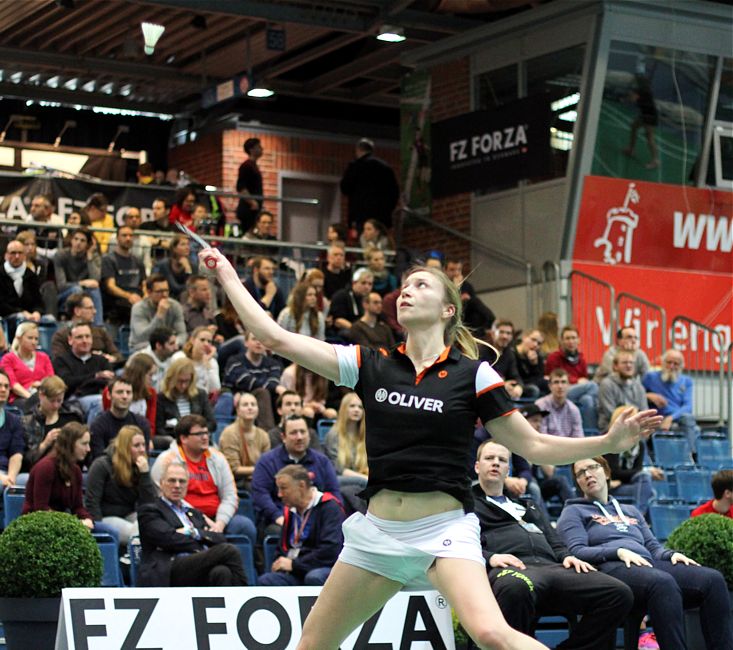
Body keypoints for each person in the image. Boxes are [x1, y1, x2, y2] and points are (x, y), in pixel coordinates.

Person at [200, 244, 660, 650]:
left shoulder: (472, 373)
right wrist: (226, 274)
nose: (406, 291)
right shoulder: (370, 364)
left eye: (420, 285)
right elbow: (275, 337)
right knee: (311, 645)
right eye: (403, 286)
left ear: (447, 311)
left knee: (492, 635)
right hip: (377, 535)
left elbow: (534, 445)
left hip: (444, 532)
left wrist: (607, 442)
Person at [559, 456, 733, 650]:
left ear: (606, 472)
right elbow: (577, 551)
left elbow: (653, 546)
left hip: (647, 563)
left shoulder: (630, 510)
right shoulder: (573, 511)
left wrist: (670, 555)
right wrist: (618, 552)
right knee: (662, 583)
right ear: (578, 482)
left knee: (713, 580)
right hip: (610, 568)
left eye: (592, 467)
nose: (588, 474)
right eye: (581, 473)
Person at [473, 440, 633, 650]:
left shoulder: (528, 505)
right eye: (489, 458)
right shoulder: (468, 504)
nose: (495, 463)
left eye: (502, 460)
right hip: (511, 568)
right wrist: (490, 557)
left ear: (508, 470)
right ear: (477, 466)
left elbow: (553, 539)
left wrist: (566, 556)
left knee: (618, 593)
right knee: (516, 588)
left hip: (552, 568)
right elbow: (458, 545)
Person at [137, 460, 248, 587]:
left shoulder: (194, 513)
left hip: (195, 565)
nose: (177, 485)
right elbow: (168, 539)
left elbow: (219, 538)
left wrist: (193, 532)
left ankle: (231, 605)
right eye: (172, 481)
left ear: (187, 485)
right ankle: (245, 598)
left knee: (222, 572)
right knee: (229, 551)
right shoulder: (151, 509)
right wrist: (200, 541)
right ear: (161, 483)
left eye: (182, 481)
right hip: (168, 567)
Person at [150, 415, 256, 546]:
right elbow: (165, 499)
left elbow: (230, 495)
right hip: (182, 518)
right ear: (183, 438)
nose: (205, 437)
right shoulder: (166, 461)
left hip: (216, 518)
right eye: (199, 434)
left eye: (206, 433)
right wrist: (202, 520)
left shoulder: (218, 458)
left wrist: (219, 524)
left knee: (244, 525)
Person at [22, 422, 119, 542]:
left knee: (111, 532)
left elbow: (77, 506)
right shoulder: (46, 468)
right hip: (39, 526)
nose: (88, 449)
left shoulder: (76, 471)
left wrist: (88, 519)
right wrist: (74, 523)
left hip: (65, 523)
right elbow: (41, 509)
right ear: (70, 444)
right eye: (84, 444)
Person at [251, 413, 341, 536]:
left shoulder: (322, 461)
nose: (299, 437)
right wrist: (278, 517)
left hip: (317, 520)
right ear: (283, 437)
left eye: (303, 432)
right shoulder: (267, 462)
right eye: (293, 433)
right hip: (279, 520)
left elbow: (334, 493)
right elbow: (260, 494)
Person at [258, 465, 345, 587]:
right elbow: (282, 550)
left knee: (314, 577)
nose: (279, 494)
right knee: (267, 580)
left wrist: (294, 564)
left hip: (323, 568)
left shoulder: (329, 507)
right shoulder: (291, 511)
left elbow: (330, 552)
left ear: (302, 486)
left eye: (283, 488)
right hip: (297, 570)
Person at [85, 425, 157, 546]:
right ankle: (135, 563)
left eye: (143, 445)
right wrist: (97, 531)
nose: (142, 450)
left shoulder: (139, 467)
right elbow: (92, 502)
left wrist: (144, 475)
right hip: (105, 517)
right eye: (136, 446)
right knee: (135, 532)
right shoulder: (102, 465)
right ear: (125, 447)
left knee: (154, 524)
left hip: (129, 514)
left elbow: (149, 505)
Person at [604, 406, 663, 517]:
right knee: (648, 489)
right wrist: (647, 471)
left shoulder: (639, 444)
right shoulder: (610, 441)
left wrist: (642, 472)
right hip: (610, 487)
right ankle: (638, 519)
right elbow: (614, 472)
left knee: (646, 483)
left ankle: (637, 518)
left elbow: (636, 470)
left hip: (626, 485)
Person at [642, 349, 699, 457]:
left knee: (688, 418)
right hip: (657, 417)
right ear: (663, 363)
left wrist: (670, 418)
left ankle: (691, 456)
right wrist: (648, 395)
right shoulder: (650, 377)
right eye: (669, 362)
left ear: (681, 366)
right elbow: (637, 394)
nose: (672, 366)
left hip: (677, 418)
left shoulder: (686, 381)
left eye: (676, 363)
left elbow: (688, 406)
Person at [53, 321, 115, 422]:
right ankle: (92, 436)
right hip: (72, 400)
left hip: (99, 396)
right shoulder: (62, 361)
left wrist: (86, 381)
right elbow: (67, 383)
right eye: (79, 337)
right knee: (100, 403)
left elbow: (110, 381)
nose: (85, 341)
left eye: (88, 336)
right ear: (70, 340)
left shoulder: (101, 360)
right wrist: (96, 376)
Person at [20, 376, 82, 473]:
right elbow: (24, 462)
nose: (56, 405)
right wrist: (45, 444)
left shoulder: (71, 417)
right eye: (52, 401)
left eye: (59, 400)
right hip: (38, 471)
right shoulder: (27, 422)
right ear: (41, 395)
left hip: (68, 469)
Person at [544, 326, 598, 431]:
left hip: (578, 392)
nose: (571, 341)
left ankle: (589, 433)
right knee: (593, 385)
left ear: (578, 340)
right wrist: (576, 381)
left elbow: (585, 378)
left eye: (573, 338)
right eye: (567, 338)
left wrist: (580, 383)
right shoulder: (553, 357)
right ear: (562, 341)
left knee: (588, 400)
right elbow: (553, 377)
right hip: (560, 390)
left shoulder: (581, 359)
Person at [339, 137, 399, 231]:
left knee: (363, 242)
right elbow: (394, 193)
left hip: (360, 217)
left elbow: (345, 188)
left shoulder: (355, 167)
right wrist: (387, 210)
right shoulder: (385, 168)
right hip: (382, 218)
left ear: (358, 150)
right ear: (371, 150)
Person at [102, 354, 161, 442]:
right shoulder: (110, 391)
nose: (152, 379)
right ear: (140, 374)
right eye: (150, 375)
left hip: (142, 436)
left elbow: (151, 424)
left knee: (168, 441)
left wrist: (148, 438)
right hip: (116, 437)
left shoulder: (151, 393)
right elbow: (109, 418)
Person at [50, 293, 122, 365]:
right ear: (77, 311)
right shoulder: (61, 335)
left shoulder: (100, 332)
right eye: (90, 308)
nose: (95, 312)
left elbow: (117, 355)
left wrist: (111, 358)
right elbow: (59, 361)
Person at [218, 392, 270, 490]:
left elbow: (266, 463)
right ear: (238, 410)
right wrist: (259, 470)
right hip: (236, 481)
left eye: (253, 404)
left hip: (257, 477)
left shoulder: (263, 435)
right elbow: (234, 469)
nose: (250, 408)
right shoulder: (229, 433)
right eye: (245, 405)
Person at [90, 376, 151, 459]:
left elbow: (144, 456)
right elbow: (99, 460)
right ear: (108, 395)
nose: (125, 396)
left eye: (128, 392)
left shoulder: (142, 423)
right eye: (120, 392)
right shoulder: (98, 425)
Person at [0, 239, 49, 339]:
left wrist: (37, 312)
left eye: (20, 253)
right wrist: (21, 312)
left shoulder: (31, 275)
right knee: (21, 319)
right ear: (6, 255)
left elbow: (38, 301)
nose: (17, 256)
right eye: (13, 253)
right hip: (8, 316)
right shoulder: (0, 274)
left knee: (50, 320)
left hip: (30, 316)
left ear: (24, 255)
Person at [53, 228, 104, 323]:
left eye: (82, 240)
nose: (78, 243)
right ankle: (76, 321)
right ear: (71, 240)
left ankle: (98, 326)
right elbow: (61, 285)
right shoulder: (61, 255)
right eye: (76, 239)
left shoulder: (93, 256)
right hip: (64, 295)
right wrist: (81, 283)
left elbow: (95, 281)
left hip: (85, 295)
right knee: (77, 290)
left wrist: (89, 257)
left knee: (94, 290)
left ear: (88, 244)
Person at [155, 358, 216, 437]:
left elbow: (212, 423)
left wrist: (195, 432)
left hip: (198, 439)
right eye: (180, 381)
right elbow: (159, 428)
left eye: (187, 381)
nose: (183, 385)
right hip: (173, 440)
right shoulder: (162, 398)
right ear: (172, 379)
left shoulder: (200, 395)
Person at [0, 321, 54, 405]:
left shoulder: (44, 357)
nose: (34, 342)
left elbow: (51, 380)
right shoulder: (8, 359)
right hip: (19, 398)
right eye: (30, 338)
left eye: (36, 339)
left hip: (43, 396)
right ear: (19, 338)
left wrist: (41, 385)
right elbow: (13, 385)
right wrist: (31, 397)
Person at [101, 225, 146, 325]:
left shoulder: (138, 261)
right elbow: (110, 287)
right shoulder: (109, 259)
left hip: (137, 297)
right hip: (118, 299)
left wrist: (146, 297)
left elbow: (144, 284)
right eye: (124, 235)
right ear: (117, 238)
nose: (128, 238)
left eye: (131, 236)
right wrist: (129, 296)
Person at [129, 275, 187, 352]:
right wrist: (159, 316)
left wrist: (172, 344)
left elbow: (182, 334)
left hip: (170, 347)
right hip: (143, 348)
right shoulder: (138, 308)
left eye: (166, 290)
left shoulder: (175, 306)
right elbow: (142, 337)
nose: (164, 295)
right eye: (160, 291)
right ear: (149, 292)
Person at [324, 392, 368, 490]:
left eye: (360, 407)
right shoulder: (333, 435)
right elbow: (338, 469)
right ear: (344, 409)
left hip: (361, 479)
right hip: (339, 479)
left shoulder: (365, 435)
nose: (356, 410)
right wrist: (365, 478)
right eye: (352, 406)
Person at [598, 350, 649, 432]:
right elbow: (610, 413)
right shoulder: (607, 384)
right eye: (624, 363)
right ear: (615, 366)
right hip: (611, 429)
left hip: (635, 428)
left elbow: (645, 412)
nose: (629, 365)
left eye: (631, 363)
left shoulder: (639, 387)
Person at [171, 326, 220, 396]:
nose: (206, 344)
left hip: (203, 400)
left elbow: (215, 389)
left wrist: (208, 366)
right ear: (192, 340)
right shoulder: (179, 357)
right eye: (202, 340)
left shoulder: (212, 362)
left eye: (209, 341)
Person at [535, 369, 583, 439]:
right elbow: (542, 438)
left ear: (568, 385)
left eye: (563, 382)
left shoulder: (574, 410)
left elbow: (579, 438)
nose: (560, 386)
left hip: (568, 448)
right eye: (556, 382)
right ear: (550, 386)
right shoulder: (540, 406)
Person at [327, 268, 373, 338]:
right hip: (344, 333)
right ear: (354, 283)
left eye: (370, 284)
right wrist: (360, 331)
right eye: (363, 283)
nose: (367, 287)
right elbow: (338, 321)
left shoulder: (370, 298)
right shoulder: (341, 296)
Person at [483, 319, 523, 399]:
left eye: (508, 333)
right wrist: (502, 384)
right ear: (493, 333)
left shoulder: (509, 353)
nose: (505, 336)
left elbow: (515, 376)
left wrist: (519, 387)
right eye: (501, 332)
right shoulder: (482, 350)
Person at [131, 325, 179, 391]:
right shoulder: (139, 360)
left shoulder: (174, 359)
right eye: (171, 344)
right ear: (158, 345)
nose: (176, 347)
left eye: (175, 343)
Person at [0, 371, 24, 489]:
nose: (3, 390)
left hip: (7, 473)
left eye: (6, 386)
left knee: (30, 480)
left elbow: (16, 454)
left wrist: (11, 477)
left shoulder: (14, 420)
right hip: (1, 477)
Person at [152, 233, 192, 301]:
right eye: (183, 244)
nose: (187, 247)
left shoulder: (192, 265)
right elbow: (174, 288)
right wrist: (188, 271)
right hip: (166, 297)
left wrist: (188, 269)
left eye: (188, 244)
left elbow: (194, 287)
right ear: (174, 248)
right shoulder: (164, 264)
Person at [236, 137, 264, 233]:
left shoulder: (253, 165)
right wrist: (252, 202)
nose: (261, 149)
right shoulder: (247, 166)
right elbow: (240, 187)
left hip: (253, 208)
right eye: (258, 147)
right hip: (248, 209)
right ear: (251, 149)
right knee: (248, 233)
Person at [513, 328, 547, 397]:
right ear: (524, 337)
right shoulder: (512, 353)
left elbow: (539, 378)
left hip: (531, 385)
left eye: (539, 343)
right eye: (533, 339)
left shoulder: (538, 357)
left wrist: (534, 365)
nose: (535, 345)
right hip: (517, 386)